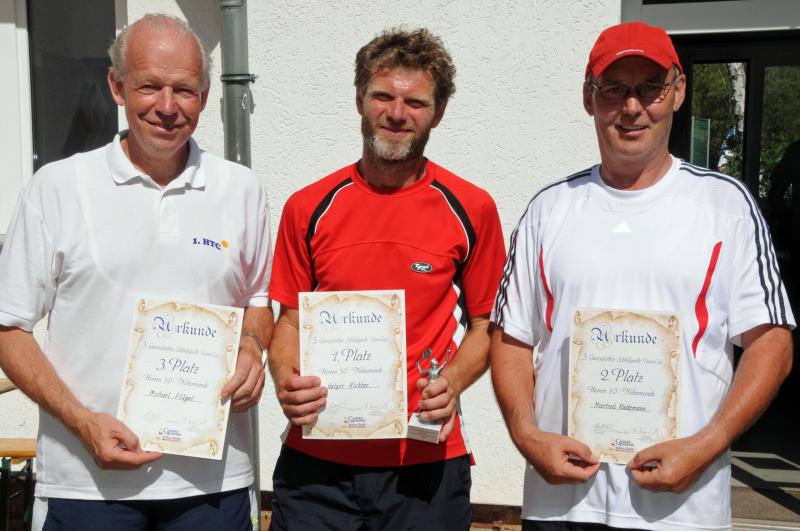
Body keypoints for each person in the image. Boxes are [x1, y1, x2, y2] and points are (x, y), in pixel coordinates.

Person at [490, 21, 794, 531]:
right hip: (563, 502)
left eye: (650, 87)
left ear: (677, 91)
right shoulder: (548, 210)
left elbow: (772, 344)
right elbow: (511, 339)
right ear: (589, 98)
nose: (632, 107)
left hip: (682, 506)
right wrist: (527, 436)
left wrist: (706, 445)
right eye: (613, 89)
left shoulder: (726, 207)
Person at [0, 14, 272, 530]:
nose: (167, 107)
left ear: (205, 96)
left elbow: (258, 301)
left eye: (184, 90)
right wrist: (82, 422)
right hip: (87, 483)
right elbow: (9, 327)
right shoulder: (56, 188)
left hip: (213, 484)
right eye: (149, 86)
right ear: (117, 86)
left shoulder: (241, 189)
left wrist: (253, 349)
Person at [267, 28, 506, 531]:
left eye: (415, 102)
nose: (397, 113)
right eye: (383, 96)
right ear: (359, 98)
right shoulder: (308, 207)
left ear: (438, 113)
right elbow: (288, 320)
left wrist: (452, 382)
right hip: (318, 463)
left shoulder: (472, 207)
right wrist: (286, 379)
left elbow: (488, 326)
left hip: (425, 459)